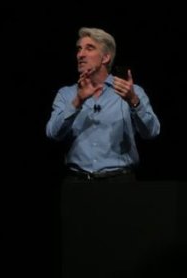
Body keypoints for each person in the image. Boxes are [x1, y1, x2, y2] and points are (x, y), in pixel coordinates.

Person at [47, 27, 161, 179]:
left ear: (106, 57)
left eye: (89, 48)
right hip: (77, 182)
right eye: (79, 49)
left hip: (120, 182)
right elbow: (53, 134)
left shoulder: (131, 92)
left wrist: (133, 101)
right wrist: (77, 101)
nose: (80, 54)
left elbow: (151, 133)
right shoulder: (66, 94)